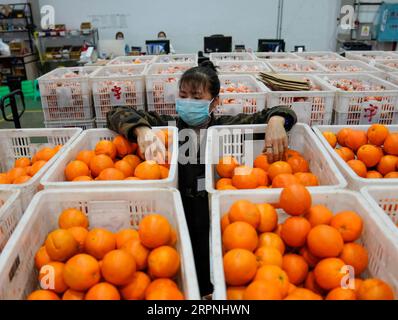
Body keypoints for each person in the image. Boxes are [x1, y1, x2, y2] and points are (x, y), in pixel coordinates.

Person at [107, 61, 297, 296]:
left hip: (216, 217)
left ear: (214, 102)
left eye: (197, 97)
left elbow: (280, 112)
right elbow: (116, 112)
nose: (188, 103)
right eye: (183, 96)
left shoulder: (226, 128)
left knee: (211, 264)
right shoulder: (168, 127)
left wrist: (277, 120)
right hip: (177, 214)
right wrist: (142, 130)